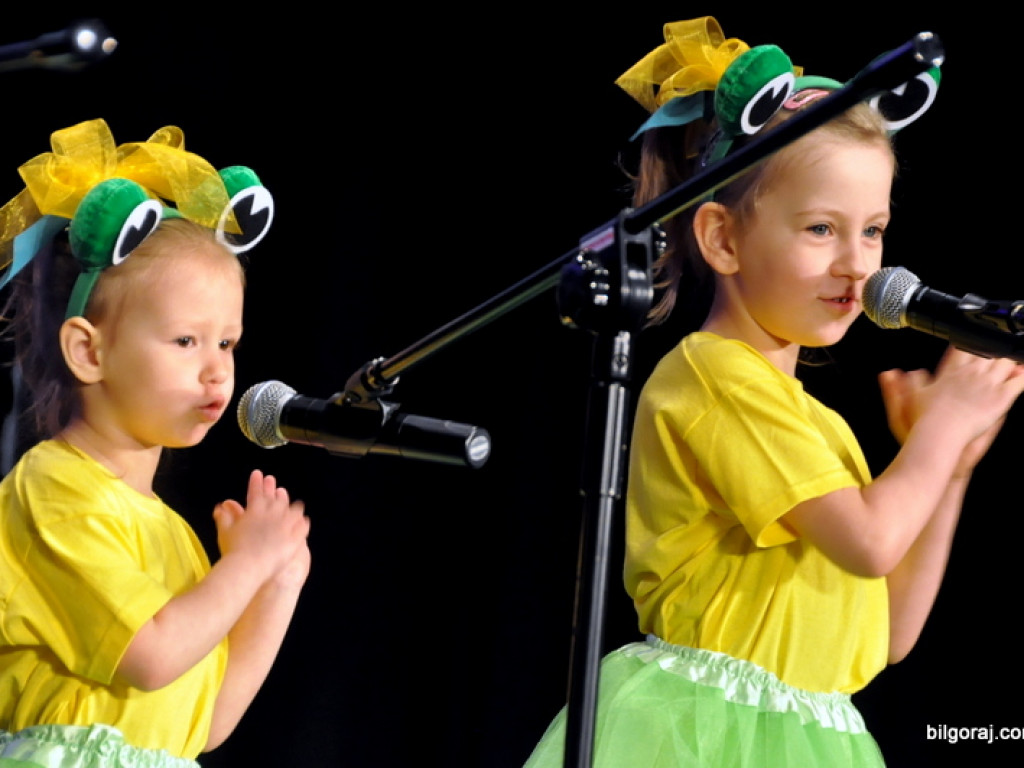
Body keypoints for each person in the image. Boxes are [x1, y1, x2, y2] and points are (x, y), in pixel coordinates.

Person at [523, 17, 1024, 767]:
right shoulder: (712, 374)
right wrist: (937, 433)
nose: (858, 265)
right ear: (722, 238)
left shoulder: (818, 425)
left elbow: (889, 632)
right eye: (822, 229)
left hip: (813, 734)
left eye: (874, 230)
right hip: (703, 729)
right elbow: (869, 540)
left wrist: (949, 468)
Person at [0, 118, 310, 767]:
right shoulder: (54, 484)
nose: (217, 369)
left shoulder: (174, 534)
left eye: (226, 342)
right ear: (90, 350)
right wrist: (245, 565)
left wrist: (278, 583)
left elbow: (204, 724)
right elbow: (151, 655)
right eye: (184, 341)